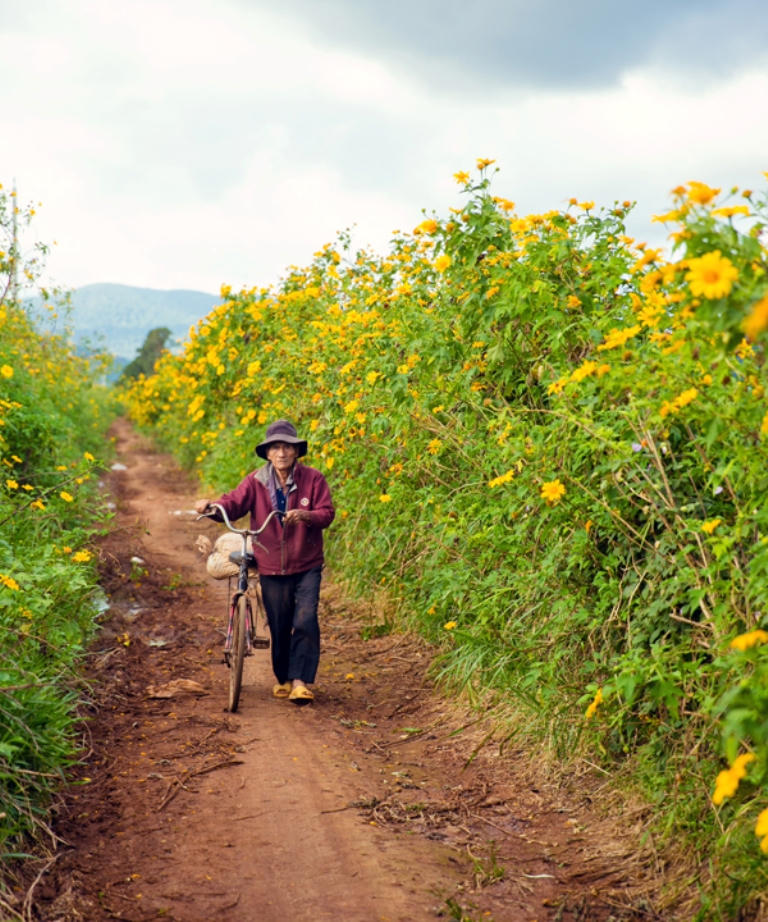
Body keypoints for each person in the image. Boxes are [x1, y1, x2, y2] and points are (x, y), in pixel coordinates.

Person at [195, 419, 334, 705]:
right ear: (268, 453)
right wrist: (212, 507)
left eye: (287, 447)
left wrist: (306, 516)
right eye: (276, 448)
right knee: (280, 624)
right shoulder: (255, 481)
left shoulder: (313, 479)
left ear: (296, 452)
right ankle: (283, 678)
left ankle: (300, 682)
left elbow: (327, 513)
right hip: (271, 563)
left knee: (305, 618)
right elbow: (233, 504)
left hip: (307, 562)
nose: (282, 453)